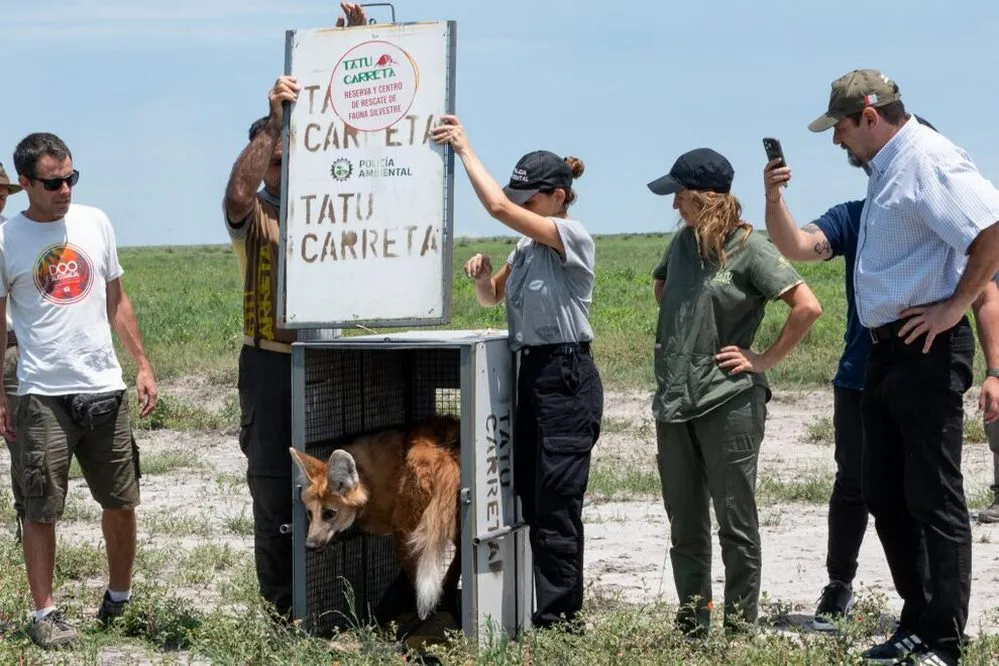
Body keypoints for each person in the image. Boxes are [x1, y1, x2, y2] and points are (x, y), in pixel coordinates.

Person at [808, 68, 999, 666]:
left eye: (839, 127)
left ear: (869, 115)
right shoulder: (886, 169)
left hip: (926, 350)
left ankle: (945, 638)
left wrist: (955, 306)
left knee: (933, 494)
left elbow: (991, 230)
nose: (836, 140)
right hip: (884, 349)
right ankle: (916, 619)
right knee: (884, 490)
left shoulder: (927, 157)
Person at [761, 115, 974, 631]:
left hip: (923, 362)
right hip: (862, 373)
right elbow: (796, 246)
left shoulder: (939, 207)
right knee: (862, 488)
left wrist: (993, 369)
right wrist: (773, 199)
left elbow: (985, 291)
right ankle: (849, 588)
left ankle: (938, 626)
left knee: (927, 492)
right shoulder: (859, 216)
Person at [221, 1, 367, 618]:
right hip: (273, 364)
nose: (285, 170)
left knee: (337, 484)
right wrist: (272, 125)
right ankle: (284, 608)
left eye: (289, 156)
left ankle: (342, 601)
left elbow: (365, 142)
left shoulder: (328, 198)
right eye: (277, 161)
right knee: (277, 491)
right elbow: (236, 191)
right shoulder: (254, 214)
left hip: (331, 355)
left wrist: (350, 52)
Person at [431, 116, 603, 632]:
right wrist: (484, 277)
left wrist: (464, 149)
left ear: (558, 197)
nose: (520, 208)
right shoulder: (527, 248)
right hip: (531, 375)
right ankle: (531, 611)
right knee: (527, 497)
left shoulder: (570, 235)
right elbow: (493, 298)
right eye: (521, 200)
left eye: (530, 200)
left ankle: (560, 621)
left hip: (565, 377)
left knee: (556, 504)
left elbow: (498, 207)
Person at [647, 147, 822, 638]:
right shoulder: (681, 244)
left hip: (729, 402)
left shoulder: (751, 247)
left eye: (679, 196)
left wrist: (761, 359)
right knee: (685, 524)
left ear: (703, 197)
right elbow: (664, 290)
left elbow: (807, 306)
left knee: (735, 523)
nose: (673, 206)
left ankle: (740, 630)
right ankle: (693, 628)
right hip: (675, 402)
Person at [0, 132, 158, 649]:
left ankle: (119, 599)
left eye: (71, 177)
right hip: (41, 394)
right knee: (40, 507)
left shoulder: (96, 222)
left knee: (121, 500)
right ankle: (44, 613)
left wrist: (141, 363)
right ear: (25, 184)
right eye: (52, 182)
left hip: (104, 388)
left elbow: (116, 297)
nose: (65, 188)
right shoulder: (6, 239)